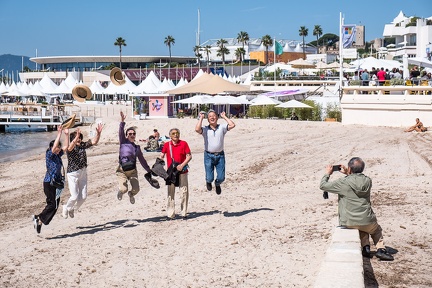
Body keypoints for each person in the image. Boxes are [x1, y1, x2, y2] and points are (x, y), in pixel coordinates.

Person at [319, 157, 394, 261]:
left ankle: (366, 248)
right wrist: (348, 173)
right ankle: (381, 249)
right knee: (375, 230)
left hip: (349, 221)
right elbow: (356, 183)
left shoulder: (343, 182)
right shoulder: (368, 181)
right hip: (367, 220)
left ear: (349, 168)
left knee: (360, 226)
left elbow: (323, 185)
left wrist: (327, 173)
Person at [62, 123, 103, 218]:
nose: (79, 139)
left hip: (83, 172)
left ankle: (72, 208)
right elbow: (69, 147)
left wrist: (99, 134)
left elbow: (94, 142)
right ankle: (66, 207)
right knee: (74, 196)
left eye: (80, 137)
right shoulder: (70, 148)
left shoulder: (82, 145)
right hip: (73, 174)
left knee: (83, 197)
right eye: (77, 138)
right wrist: (75, 137)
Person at [32, 125, 68, 233]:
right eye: (58, 147)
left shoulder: (57, 155)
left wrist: (67, 135)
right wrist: (59, 133)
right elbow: (54, 148)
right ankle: (38, 218)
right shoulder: (49, 154)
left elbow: (66, 148)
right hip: (49, 183)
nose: (59, 149)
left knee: (55, 205)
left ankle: (40, 221)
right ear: (53, 147)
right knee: (52, 204)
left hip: (56, 184)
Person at [195, 110, 235, 195]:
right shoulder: (205, 129)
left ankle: (217, 184)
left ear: (217, 118)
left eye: (214, 116)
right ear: (208, 119)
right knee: (209, 178)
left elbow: (232, 125)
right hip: (208, 156)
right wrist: (201, 118)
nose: (212, 118)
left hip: (220, 156)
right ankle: (208, 182)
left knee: (221, 178)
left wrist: (224, 116)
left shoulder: (222, 127)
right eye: (210, 116)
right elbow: (197, 129)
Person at [116, 111, 153, 204]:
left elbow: (142, 161)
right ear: (126, 135)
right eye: (130, 134)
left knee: (136, 189)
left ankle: (131, 194)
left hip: (133, 171)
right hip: (122, 170)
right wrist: (122, 121)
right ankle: (121, 192)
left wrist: (149, 170)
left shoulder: (137, 148)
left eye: (133, 134)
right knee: (123, 189)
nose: (132, 135)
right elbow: (120, 131)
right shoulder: (123, 142)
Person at [159, 128, 192, 220]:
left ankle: (184, 213)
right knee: (170, 193)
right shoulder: (166, 145)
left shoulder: (184, 143)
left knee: (184, 191)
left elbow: (189, 156)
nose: (175, 135)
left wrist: (182, 165)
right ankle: (170, 214)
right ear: (170, 136)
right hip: (171, 172)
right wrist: (160, 165)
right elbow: (162, 155)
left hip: (182, 171)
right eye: (173, 133)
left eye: (177, 133)